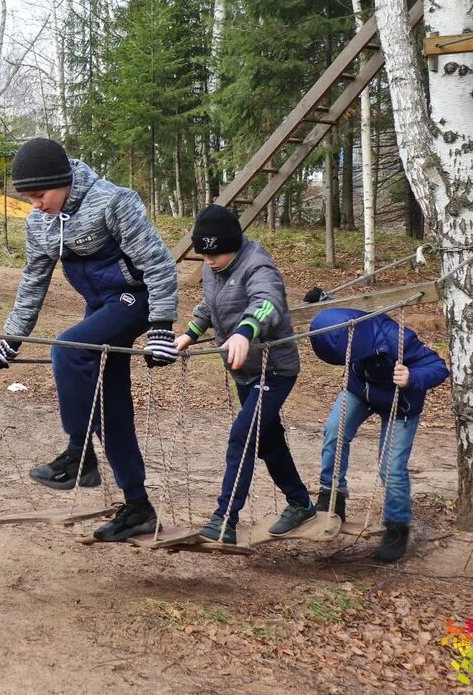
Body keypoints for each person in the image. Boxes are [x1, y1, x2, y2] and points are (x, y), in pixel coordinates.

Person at [0, 137, 179, 542]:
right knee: (109, 407)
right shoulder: (40, 222)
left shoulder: (112, 202)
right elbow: (32, 285)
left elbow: (159, 266)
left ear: (64, 180)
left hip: (135, 299)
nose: (36, 204)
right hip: (103, 307)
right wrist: (10, 343)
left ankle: (78, 454)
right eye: (28, 197)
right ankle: (138, 508)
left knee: (67, 348)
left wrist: (161, 327)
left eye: (41, 194)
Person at [174, 205, 314, 545]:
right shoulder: (214, 267)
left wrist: (245, 331)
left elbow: (266, 302)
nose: (209, 260)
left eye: (215, 252)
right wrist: (190, 333)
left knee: (243, 435)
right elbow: (210, 304)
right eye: (204, 253)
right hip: (244, 371)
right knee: (268, 440)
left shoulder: (258, 265)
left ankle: (224, 520)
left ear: (233, 243)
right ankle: (300, 503)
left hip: (274, 368)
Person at [308, 307, 449, 563]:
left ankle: (397, 526)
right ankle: (332, 497)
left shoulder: (399, 340)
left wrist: (412, 376)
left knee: (391, 467)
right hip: (361, 391)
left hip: (400, 401)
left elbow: (438, 366)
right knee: (333, 432)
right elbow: (342, 309)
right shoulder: (349, 326)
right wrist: (321, 299)